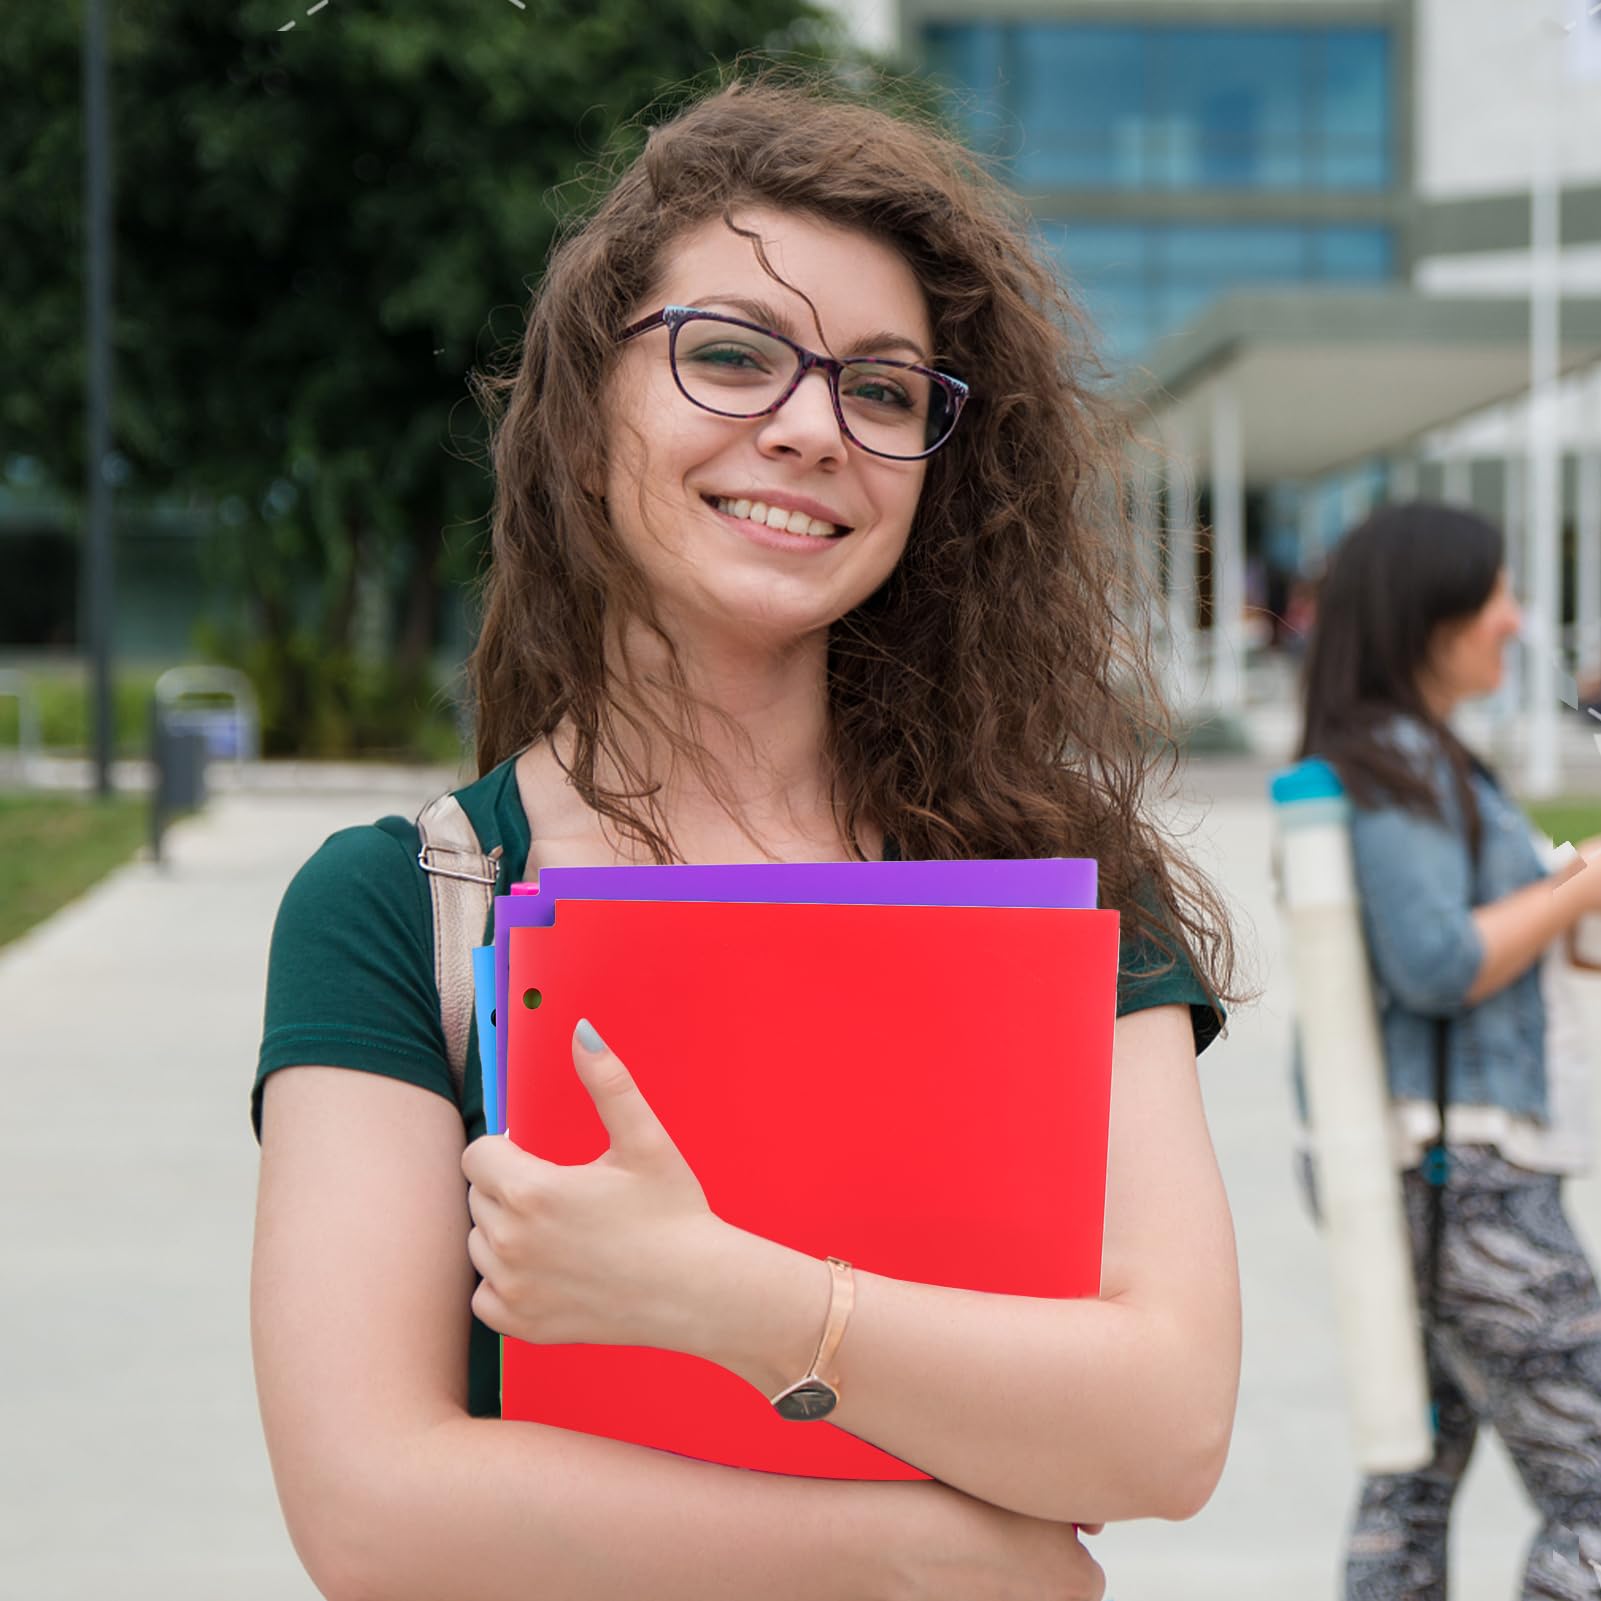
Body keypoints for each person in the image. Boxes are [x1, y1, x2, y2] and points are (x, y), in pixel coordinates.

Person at [250, 73, 1242, 1601]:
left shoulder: (1062, 894)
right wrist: (919, 1552)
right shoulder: (406, 902)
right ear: (585, 421)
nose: (808, 428)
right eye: (728, 356)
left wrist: (718, 1295)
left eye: (885, 390)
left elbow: (1164, 1424)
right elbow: (374, 1509)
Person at [1294, 501, 1601, 1600]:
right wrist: (1578, 881)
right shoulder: (1392, 768)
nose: (1515, 623)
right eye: (1495, 598)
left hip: (1434, 1173)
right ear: (1427, 618)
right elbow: (1435, 961)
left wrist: (1562, 897)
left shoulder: (1423, 765)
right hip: (1457, 1176)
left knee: (1411, 1474)